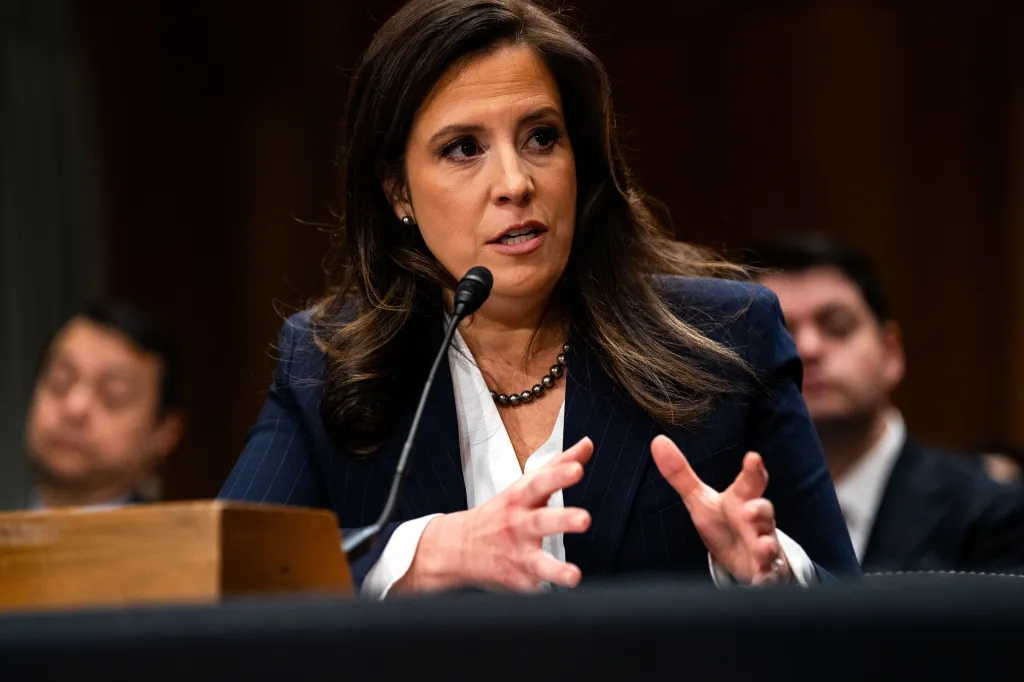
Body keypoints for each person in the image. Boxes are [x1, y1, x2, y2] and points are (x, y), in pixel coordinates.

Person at [220, 0, 857, 596]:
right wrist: (419, 554)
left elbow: (859, 616)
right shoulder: (328, 366)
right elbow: (223, 577)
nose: (515, 182)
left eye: (541, 137)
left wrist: (773, 574)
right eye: (463, 148)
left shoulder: (727, 339)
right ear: (398, 192)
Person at [750, 233, 1024, 573]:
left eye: (837, 327)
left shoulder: (994, 513)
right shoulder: (727, 518)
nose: (808, 349)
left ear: (890, 352)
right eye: (780, 334)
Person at [22, 301, 185, 510]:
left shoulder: (189, 533)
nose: (75, 408)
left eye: (113, 395)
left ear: (164, 433)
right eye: (60, 380)